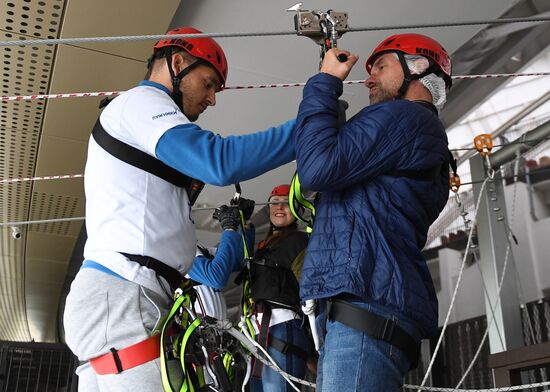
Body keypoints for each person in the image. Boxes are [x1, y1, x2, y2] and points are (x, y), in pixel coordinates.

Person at [63, 27, 296, 392]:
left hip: (117, 293)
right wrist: (307, 130)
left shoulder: (137, 120)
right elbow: (219, 161)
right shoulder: (143, 103)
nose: (212, 99)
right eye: (208, 84)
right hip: (125, 290)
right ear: (177, 62)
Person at [294, 33, 453, 391]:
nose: (369, 77)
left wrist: (325, 82)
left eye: (381, 66)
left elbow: (317, 169)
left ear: (418, 67)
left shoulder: (404, 118)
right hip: (369, 311)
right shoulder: (416, 132)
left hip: (366, 312)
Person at [247, 184, 311, 392]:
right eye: (275, 202)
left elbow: (310, 287)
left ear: (297, 210)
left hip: (284, 327)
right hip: (260, 332)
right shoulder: (265, 246)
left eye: (286, 203)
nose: (279, 207)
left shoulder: (299, 241)